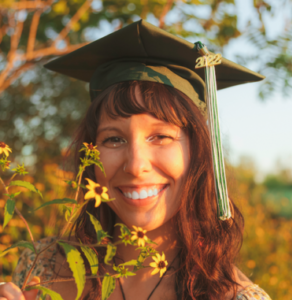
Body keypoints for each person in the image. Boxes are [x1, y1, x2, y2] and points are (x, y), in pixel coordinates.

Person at [0, 20, 272, 300]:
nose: (135, 165)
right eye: (114, 139)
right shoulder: (42, 269)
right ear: (91, 155)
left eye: (161, 137)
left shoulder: (234, 296)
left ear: (199, 153)